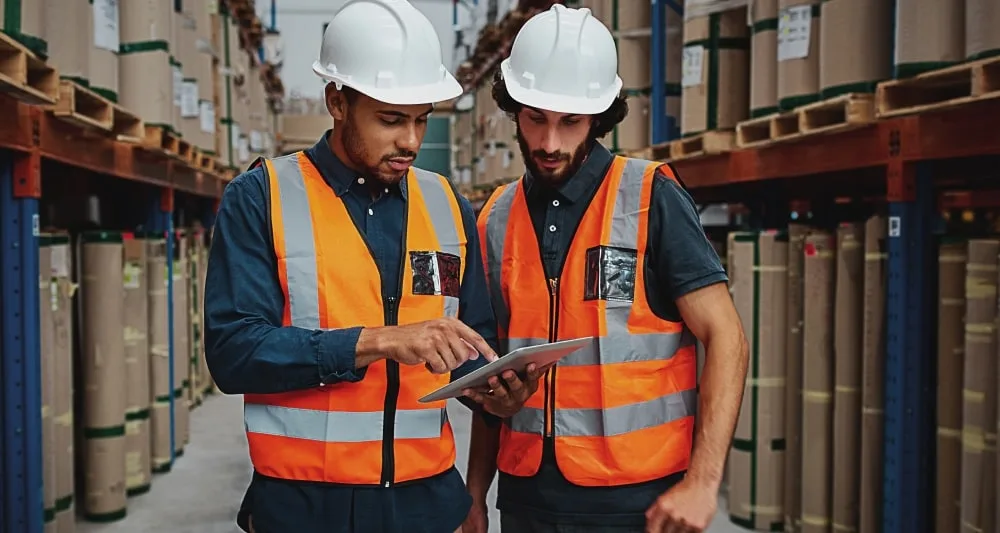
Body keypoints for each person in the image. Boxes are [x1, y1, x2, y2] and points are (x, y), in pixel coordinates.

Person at [203, 1, 544, 532]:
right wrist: (377, 341)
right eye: (391, 120)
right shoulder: (262, 197)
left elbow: (470, 342)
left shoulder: (446, 203)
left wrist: (495, 392)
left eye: (421, 121)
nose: (411, 141)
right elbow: (233, 353)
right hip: (306, 507)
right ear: (337, 102)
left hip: (427, 503)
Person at [462, 5, 750, 533]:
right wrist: (475, 493)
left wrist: (705, 482)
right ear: (513, 109)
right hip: (526, 497)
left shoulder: (651, 197)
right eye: (534, 119)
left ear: (598, 115)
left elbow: (726, 336)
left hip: (639, 500)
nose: (549, 143)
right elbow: (492, 366)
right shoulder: (496, 217)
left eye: (569, 122)